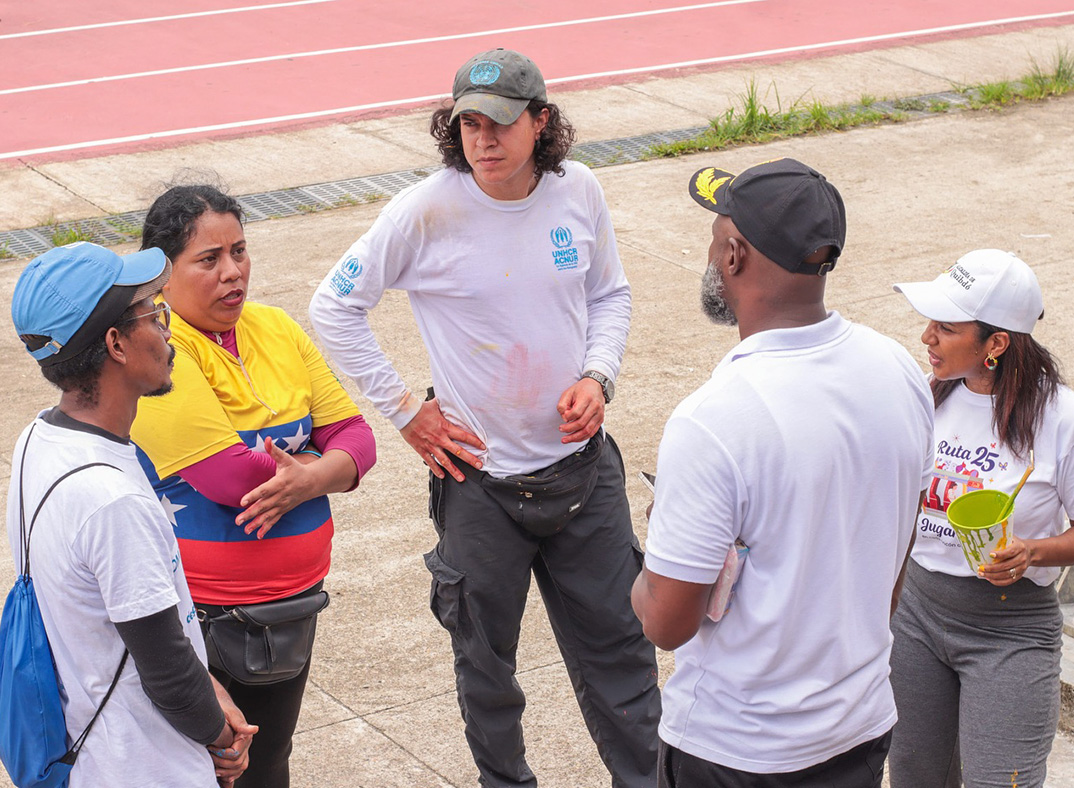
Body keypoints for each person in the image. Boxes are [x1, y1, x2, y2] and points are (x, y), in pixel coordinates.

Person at [309, 47, 660, 788]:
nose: (483, 140)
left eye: (500, 123)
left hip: (582, 474)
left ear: (541, 122)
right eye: (468, 123)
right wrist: (407, 413)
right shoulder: (425, 210)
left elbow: (610, 295)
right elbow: (334, 308)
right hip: (480, 484)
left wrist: (599, 376)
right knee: (486, 669)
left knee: (622, 658)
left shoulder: (579, 192)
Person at [631, 159, 935, 787]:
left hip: (737, 749)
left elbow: (665, 623)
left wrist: (652, 552)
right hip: (860, 725)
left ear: (735, 254)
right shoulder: (898, 368)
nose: (710, 251)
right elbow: (898, 540)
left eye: (716, 236)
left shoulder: (713, 421)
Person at [129, 186, 376, 788]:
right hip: (203, 616)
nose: (233, 272)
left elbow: (359, 437)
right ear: (163, 275)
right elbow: (229, 478)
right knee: (209, 771)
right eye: (208, 259)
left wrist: (312, 473)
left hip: (292, 605)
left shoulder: (276, 327)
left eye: (239, 251)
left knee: (268, 767)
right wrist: (321, 464)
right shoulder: (159, 348)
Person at [8, 242, 256, 787]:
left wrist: (206, 688)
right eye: (156, 313)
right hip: (141, 765)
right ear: (116, 344)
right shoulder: (112, 500)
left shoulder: (38, 440)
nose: (169, 333)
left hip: (84, 748)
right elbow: (167, 673)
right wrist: (223, 739)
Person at [888, 249, 1074, 787]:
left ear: (996, 344)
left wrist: (1033, 552)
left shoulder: (1059, 419)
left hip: (1011, 631)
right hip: (918, 618)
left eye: (946, 328)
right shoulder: (925, 398)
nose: (927, 337)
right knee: (914, 777)